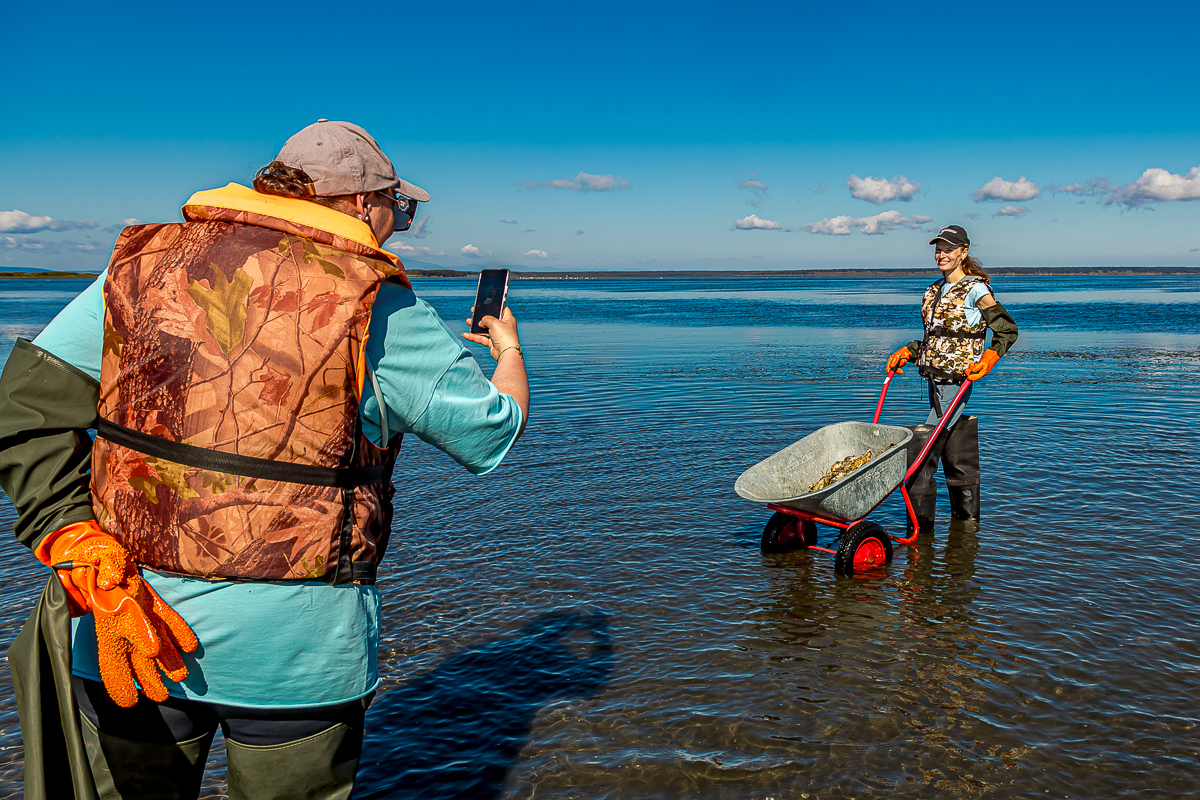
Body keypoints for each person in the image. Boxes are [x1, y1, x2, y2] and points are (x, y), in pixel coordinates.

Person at [0, 119, 528, 800]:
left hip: (127, 626)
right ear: (362, 205)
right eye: (400, 208)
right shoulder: (381, 306)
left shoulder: (138, 269)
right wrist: (508, 351)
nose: (399, 223)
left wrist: (70, 531)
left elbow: (22, 409)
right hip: (297, 657)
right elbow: (491, 432)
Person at [885, 224, 1018, 529]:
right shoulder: (933, 290)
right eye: (938, 249)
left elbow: (1008, 330)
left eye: (948, 249)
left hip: (957, 382)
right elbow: (937, 339)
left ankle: (920, 534)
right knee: (954, 438)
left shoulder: (976, 290)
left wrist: (991, 355)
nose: (942, 255)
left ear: (963, 252)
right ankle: (966, 523)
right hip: (934, 379)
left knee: (922, 452)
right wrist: (909, 351)